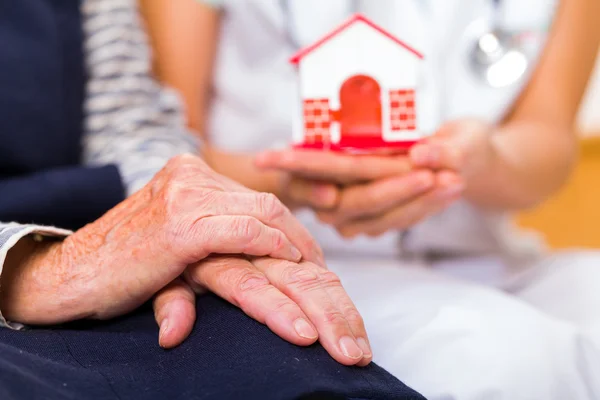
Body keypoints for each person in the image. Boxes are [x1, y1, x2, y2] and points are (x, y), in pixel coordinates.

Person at [142, 0, 600, 398]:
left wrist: (481, 161)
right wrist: (290, 181)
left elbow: (549, 139)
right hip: (296, 255)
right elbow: (161, 148)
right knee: (515, 362)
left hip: (482, 250)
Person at [0, 0, 426, 399]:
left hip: (113, 257)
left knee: (303, 367)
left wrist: (186, 222)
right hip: (51, 276)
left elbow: (131, 131)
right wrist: (42, 270)